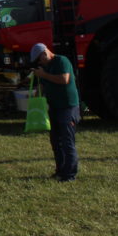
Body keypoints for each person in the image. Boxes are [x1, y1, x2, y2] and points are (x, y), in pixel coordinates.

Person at [30, 43, 80, 182]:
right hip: (54, 107)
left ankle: (69, 175)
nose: (40, 62)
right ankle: (60, 170)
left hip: (68, 107)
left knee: (67, 141)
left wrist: (44, 75)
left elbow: (64, 79)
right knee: (56, 141)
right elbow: (43, 83)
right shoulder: (45, 67)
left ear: (45, 53)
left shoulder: (61, 61)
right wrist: (37, 92)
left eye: (40, 59)